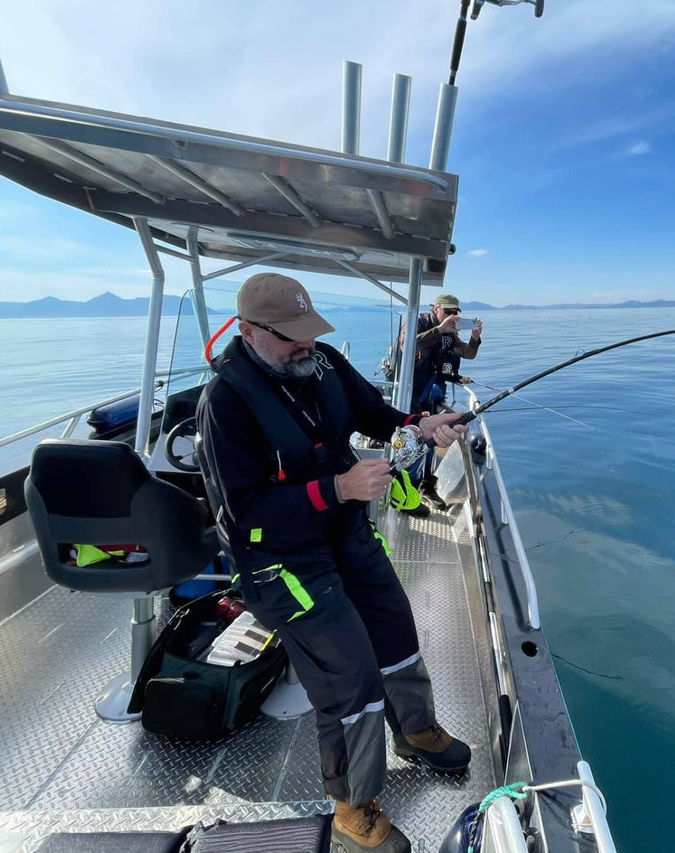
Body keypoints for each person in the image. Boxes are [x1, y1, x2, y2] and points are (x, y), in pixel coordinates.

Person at [196, 273, 472, 853]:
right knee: (350, 676)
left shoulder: (321, 363)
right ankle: (353, 808)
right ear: (248, 331)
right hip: (280, 562)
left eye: (309, 330)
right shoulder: (224, 403)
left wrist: (417, 425)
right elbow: (244, 512)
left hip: (344, 534)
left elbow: (374, 413)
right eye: (290, 335)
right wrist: (339, 488)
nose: (305, 343)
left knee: (397, 631)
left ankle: (414, 731)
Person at [401, 293, 482, 510]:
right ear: (436, 308)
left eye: (456, 313)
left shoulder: (450, 334)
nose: (452, 316)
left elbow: (467, 353)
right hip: (408, 390)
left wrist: (475, 338)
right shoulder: (418, 322)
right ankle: (407, 485)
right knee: (412, 436)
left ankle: (426, 483)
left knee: (431, 436)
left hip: (427, 390)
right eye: (448, 311)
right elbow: (406, 345)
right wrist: (439, 329)